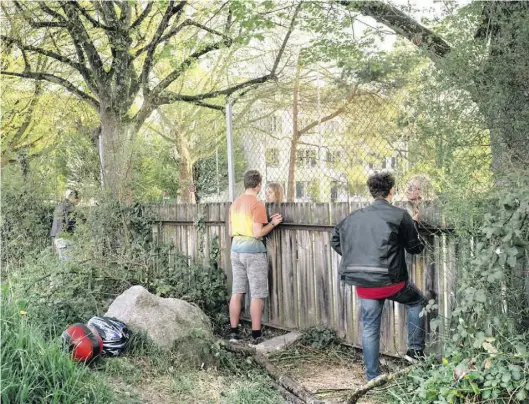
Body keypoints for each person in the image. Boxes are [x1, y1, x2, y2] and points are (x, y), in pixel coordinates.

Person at [331, 171, 426, 381]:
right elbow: (415, 248)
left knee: (370, 327)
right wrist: (415, 225)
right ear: (391, 191)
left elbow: (335, 239)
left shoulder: (353, 217)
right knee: (417, 302)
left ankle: (372, 377)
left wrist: (354, 255)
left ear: (372, 191)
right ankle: (415, 353)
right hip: (391, 282)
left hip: (364, 284)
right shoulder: (400, 216)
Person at [228, 170, 283, 344]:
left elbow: (230, 232)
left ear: (245, 184)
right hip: (253, 252)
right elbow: (258, 233)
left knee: (237, 291)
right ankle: (256, 335)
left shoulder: (235, 203)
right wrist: (272, 223)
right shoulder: (257, 204)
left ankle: (234, 333)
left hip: (235, 250)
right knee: (257, 294)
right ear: (258, 184)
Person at [50, 189, 80, 261]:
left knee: (62, 260)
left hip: (56, 236)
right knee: (69, 260)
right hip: (65, 237)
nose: (78, 201)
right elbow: (69, 223)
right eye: (77, 198)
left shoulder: (58, 206)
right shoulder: (69, 207)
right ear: (72, 197)